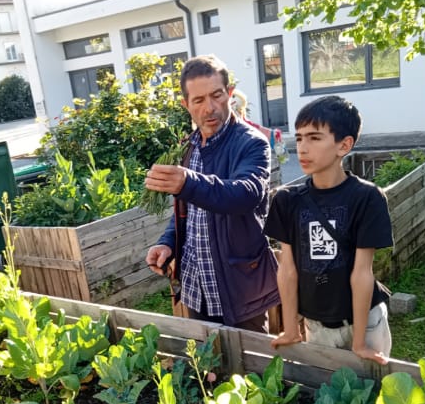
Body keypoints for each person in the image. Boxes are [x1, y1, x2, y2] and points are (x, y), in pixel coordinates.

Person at [144, 54, 280, 333]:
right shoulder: (188, 147)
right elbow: (188, 212)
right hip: (198, 286)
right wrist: (167, 242)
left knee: (253, 371)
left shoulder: (251, 143)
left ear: (229, 94)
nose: (210, 108)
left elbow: (247, 193)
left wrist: (187, 182)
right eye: (199, 100)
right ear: (186, 105)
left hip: (240, 287)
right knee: (209, 369)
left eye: (217, 95)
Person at [266, 94, 393, 362]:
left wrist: (359, 342)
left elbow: (362, 273)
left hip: (366, 322)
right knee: (328, 395)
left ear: (344, 145)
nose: (302, 148)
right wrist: (290, 328)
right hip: (317, 324)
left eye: (314, 138)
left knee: (373, 394)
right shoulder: (286, 200)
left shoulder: (367, 197)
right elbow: (287, 269)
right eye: (299, 138)